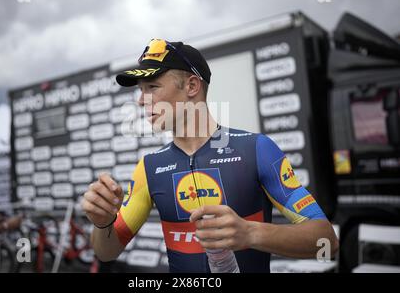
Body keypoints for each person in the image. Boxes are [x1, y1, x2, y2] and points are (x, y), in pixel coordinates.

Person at [82, 39, 339, 272]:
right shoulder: (149, 167)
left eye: (152, 86)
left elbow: (326, 240)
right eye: (140, 90)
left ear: (192, 86)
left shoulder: (255, 149)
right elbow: (107, 252)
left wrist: (251, 233)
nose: (140, 100)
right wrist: (103, 224)